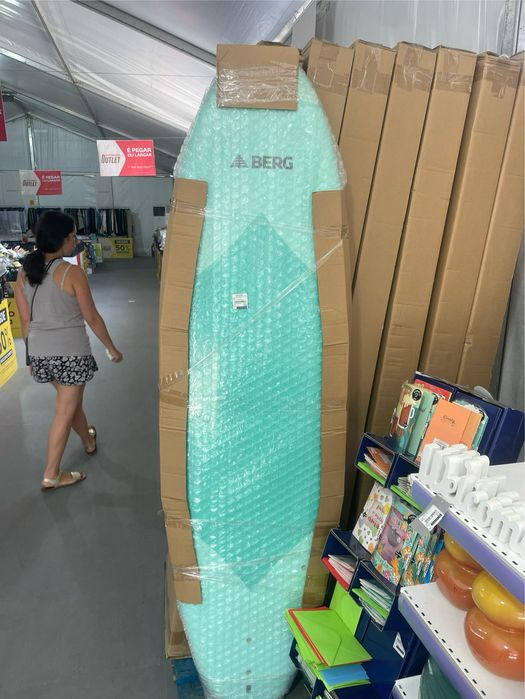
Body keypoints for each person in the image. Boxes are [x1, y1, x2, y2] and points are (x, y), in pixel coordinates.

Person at [14, 211, 123, 490]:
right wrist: (111, 348)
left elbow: (25, 320)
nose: (75, 240)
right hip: (71, 354)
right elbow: (92, 317)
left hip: (40, 353)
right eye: (72, 236)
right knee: (64, 409)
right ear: (61, 239)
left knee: (70, 402)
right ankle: (51, 474)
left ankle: (88, 440)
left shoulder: (24, 273)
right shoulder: (71, 273)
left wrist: (30, 356)